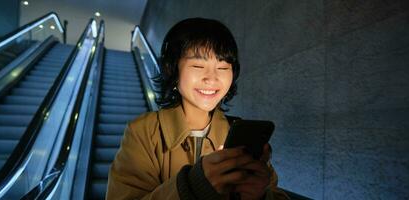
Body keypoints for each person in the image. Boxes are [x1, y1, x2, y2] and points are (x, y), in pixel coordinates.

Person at [106, 18, 289, 200]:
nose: (212, 78)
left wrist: (260, 196)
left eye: (223, 67)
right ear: (173, 69)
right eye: (198, 66)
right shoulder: (143, 132)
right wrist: (194, 186)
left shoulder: (238, 134)